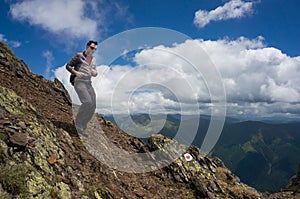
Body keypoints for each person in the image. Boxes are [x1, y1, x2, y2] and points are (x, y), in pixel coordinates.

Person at [66, 40, 98, 134]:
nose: (93, 50)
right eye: (92, 48)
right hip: (79, 81)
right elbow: (68, 66)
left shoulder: (93, 60)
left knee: (93, 105)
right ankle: (77, 123)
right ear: (87, 46)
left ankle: (82, 126)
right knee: (87, 101)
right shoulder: (78, 56)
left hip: (88, 82)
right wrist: (76, 73)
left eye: (95, 49)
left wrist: (95, 73)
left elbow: (95, 72)